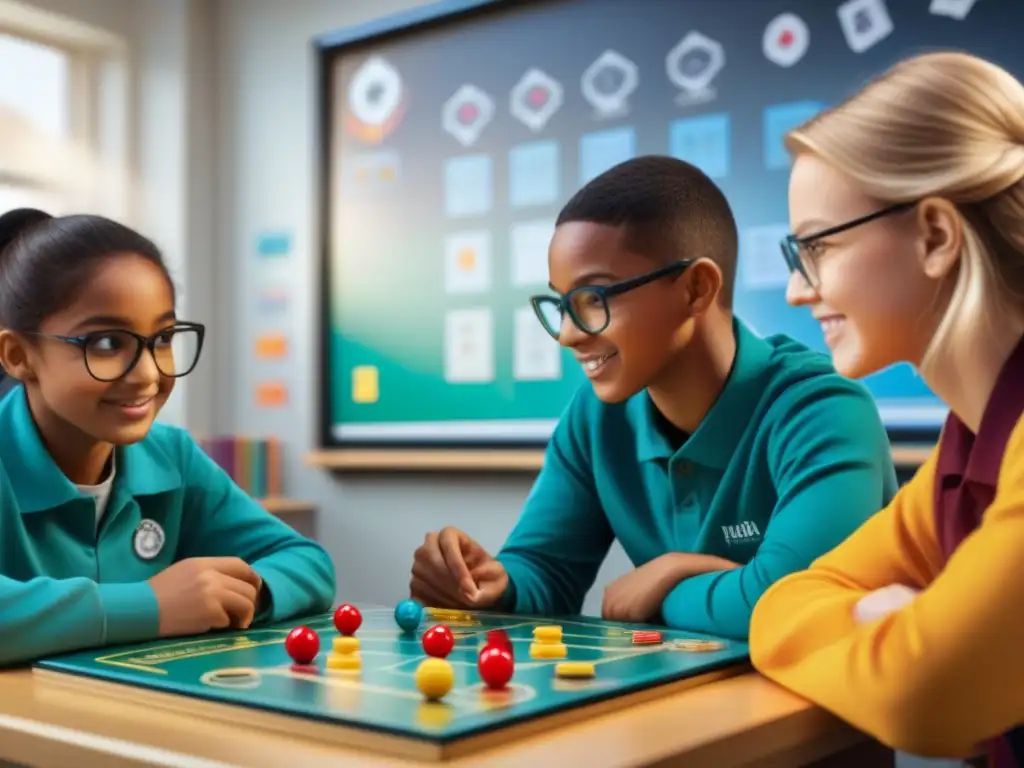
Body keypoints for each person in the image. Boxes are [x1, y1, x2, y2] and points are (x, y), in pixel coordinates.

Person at [409, 156, 898, 640]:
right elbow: (547, 570)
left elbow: (793, 602)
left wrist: (666, 583)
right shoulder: (595, 417)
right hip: (687, 707)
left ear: (695, 289)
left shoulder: (825, 410)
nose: (566, 336)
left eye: (593, 300)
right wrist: (495, 585)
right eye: (561, 305)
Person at [748, 51, 1024, 763]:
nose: (796, 291)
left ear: (935, 235)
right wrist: (878, 620)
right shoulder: (966, 450)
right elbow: (782, 601)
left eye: (816, 246)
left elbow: (922, 695)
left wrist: (902, 642)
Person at [0, 208, 335, 666]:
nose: (146, 374)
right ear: (19, 355)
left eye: (161, 338)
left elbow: (305, 561)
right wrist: (153, 607)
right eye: (105, 344)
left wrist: (239, 594)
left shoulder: (171, 456)